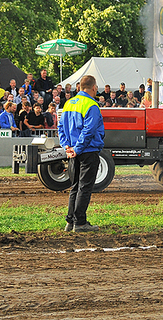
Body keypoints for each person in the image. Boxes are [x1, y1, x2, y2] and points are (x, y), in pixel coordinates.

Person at [58, 75, 105, 233]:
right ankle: (80, 223)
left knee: (75, 187)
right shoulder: (91, 105)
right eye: (96, 86)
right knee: (85, 188)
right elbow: (89, 131)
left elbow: (61, 127)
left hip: (72, 151)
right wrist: (77, 149)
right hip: (87, 151)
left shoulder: (69, 104)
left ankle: (70, 222)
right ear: (93, 87)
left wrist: (67, 147)